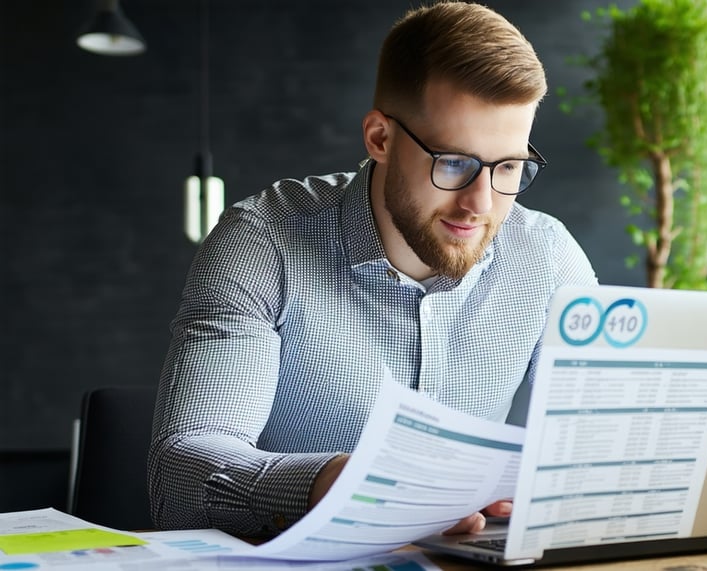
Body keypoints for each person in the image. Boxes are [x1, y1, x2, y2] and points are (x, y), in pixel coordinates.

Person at [148, 1, 597, 539]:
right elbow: (179, 478)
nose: (480, 203)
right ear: (380, 138)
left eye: (508, 167)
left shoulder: (547, 257)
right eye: (454, 163)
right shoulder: (264, 241)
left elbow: (599, 441)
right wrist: (332, 484)